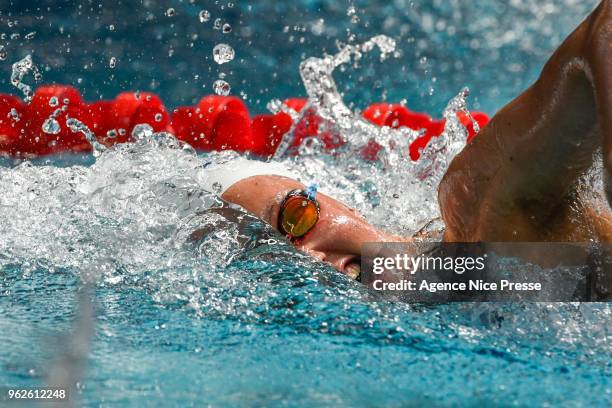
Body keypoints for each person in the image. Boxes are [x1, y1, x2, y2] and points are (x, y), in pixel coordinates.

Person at [199, 0, 611, 280]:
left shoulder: (477, 209)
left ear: (338, 200)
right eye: (272, 264)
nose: (305, 257)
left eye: (294, 219)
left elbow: (602, 27)